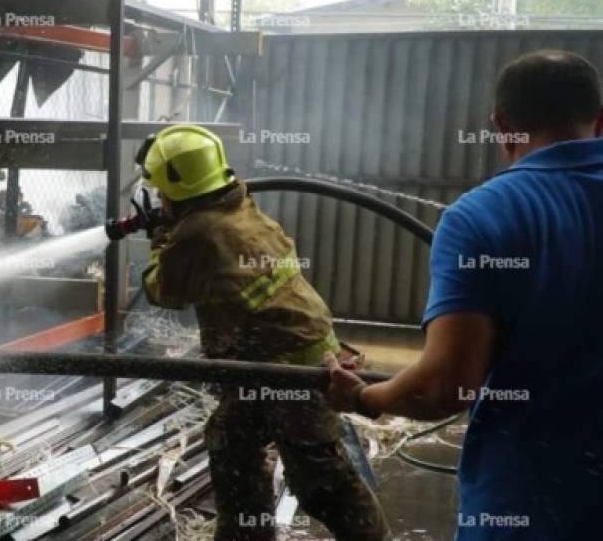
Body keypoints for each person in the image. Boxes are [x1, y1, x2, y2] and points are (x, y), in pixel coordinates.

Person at [325, 50, 603, 540]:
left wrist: (366, 396)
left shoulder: (482, 216)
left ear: (502, 126)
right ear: (600, 121)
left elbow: (447, 385)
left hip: (530, 508)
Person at [138, 124, 388, 541]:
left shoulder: (196, 233)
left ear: (174, 189)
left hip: (291, 368)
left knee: (323, 484)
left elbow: (162, 290)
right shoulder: (238, 202)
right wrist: (170, 223)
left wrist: (159, 234)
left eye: (161, 190)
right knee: (231, 444)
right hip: (269, 359)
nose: (158, 197)